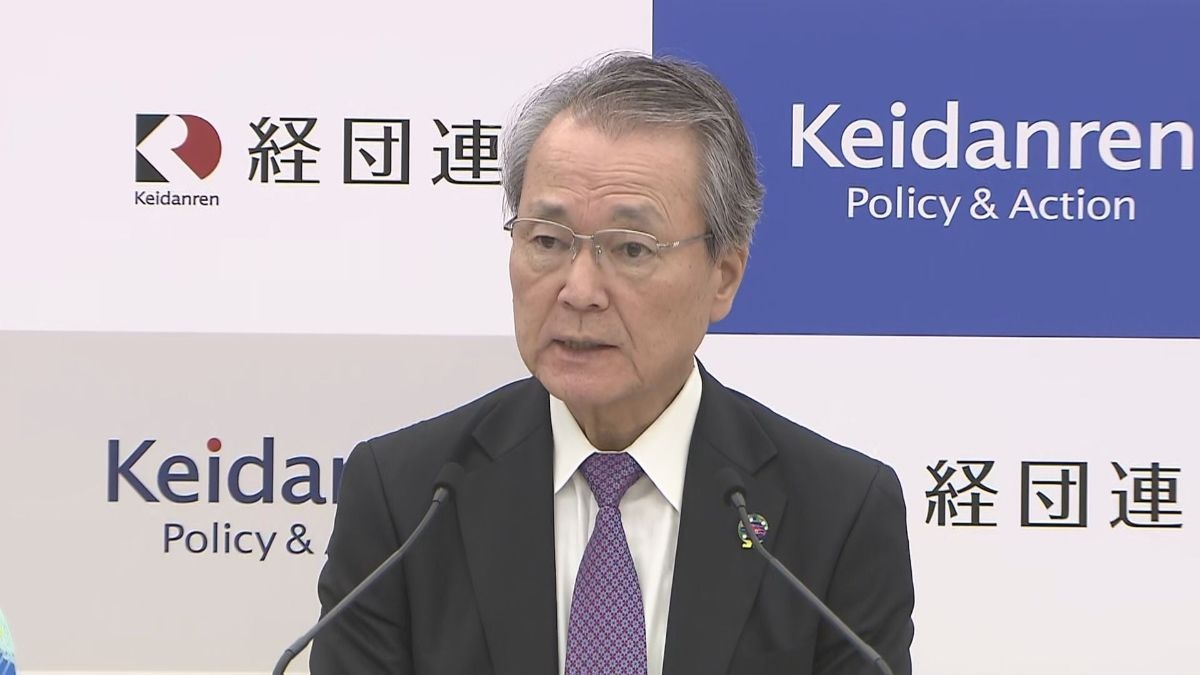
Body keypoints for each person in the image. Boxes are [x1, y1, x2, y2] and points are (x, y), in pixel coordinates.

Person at [310, 53, 914, 675]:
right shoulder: (407, 499)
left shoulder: (838, 515)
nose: (579, 291)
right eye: (548, 240)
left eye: (630, 249)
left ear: (724, 276)